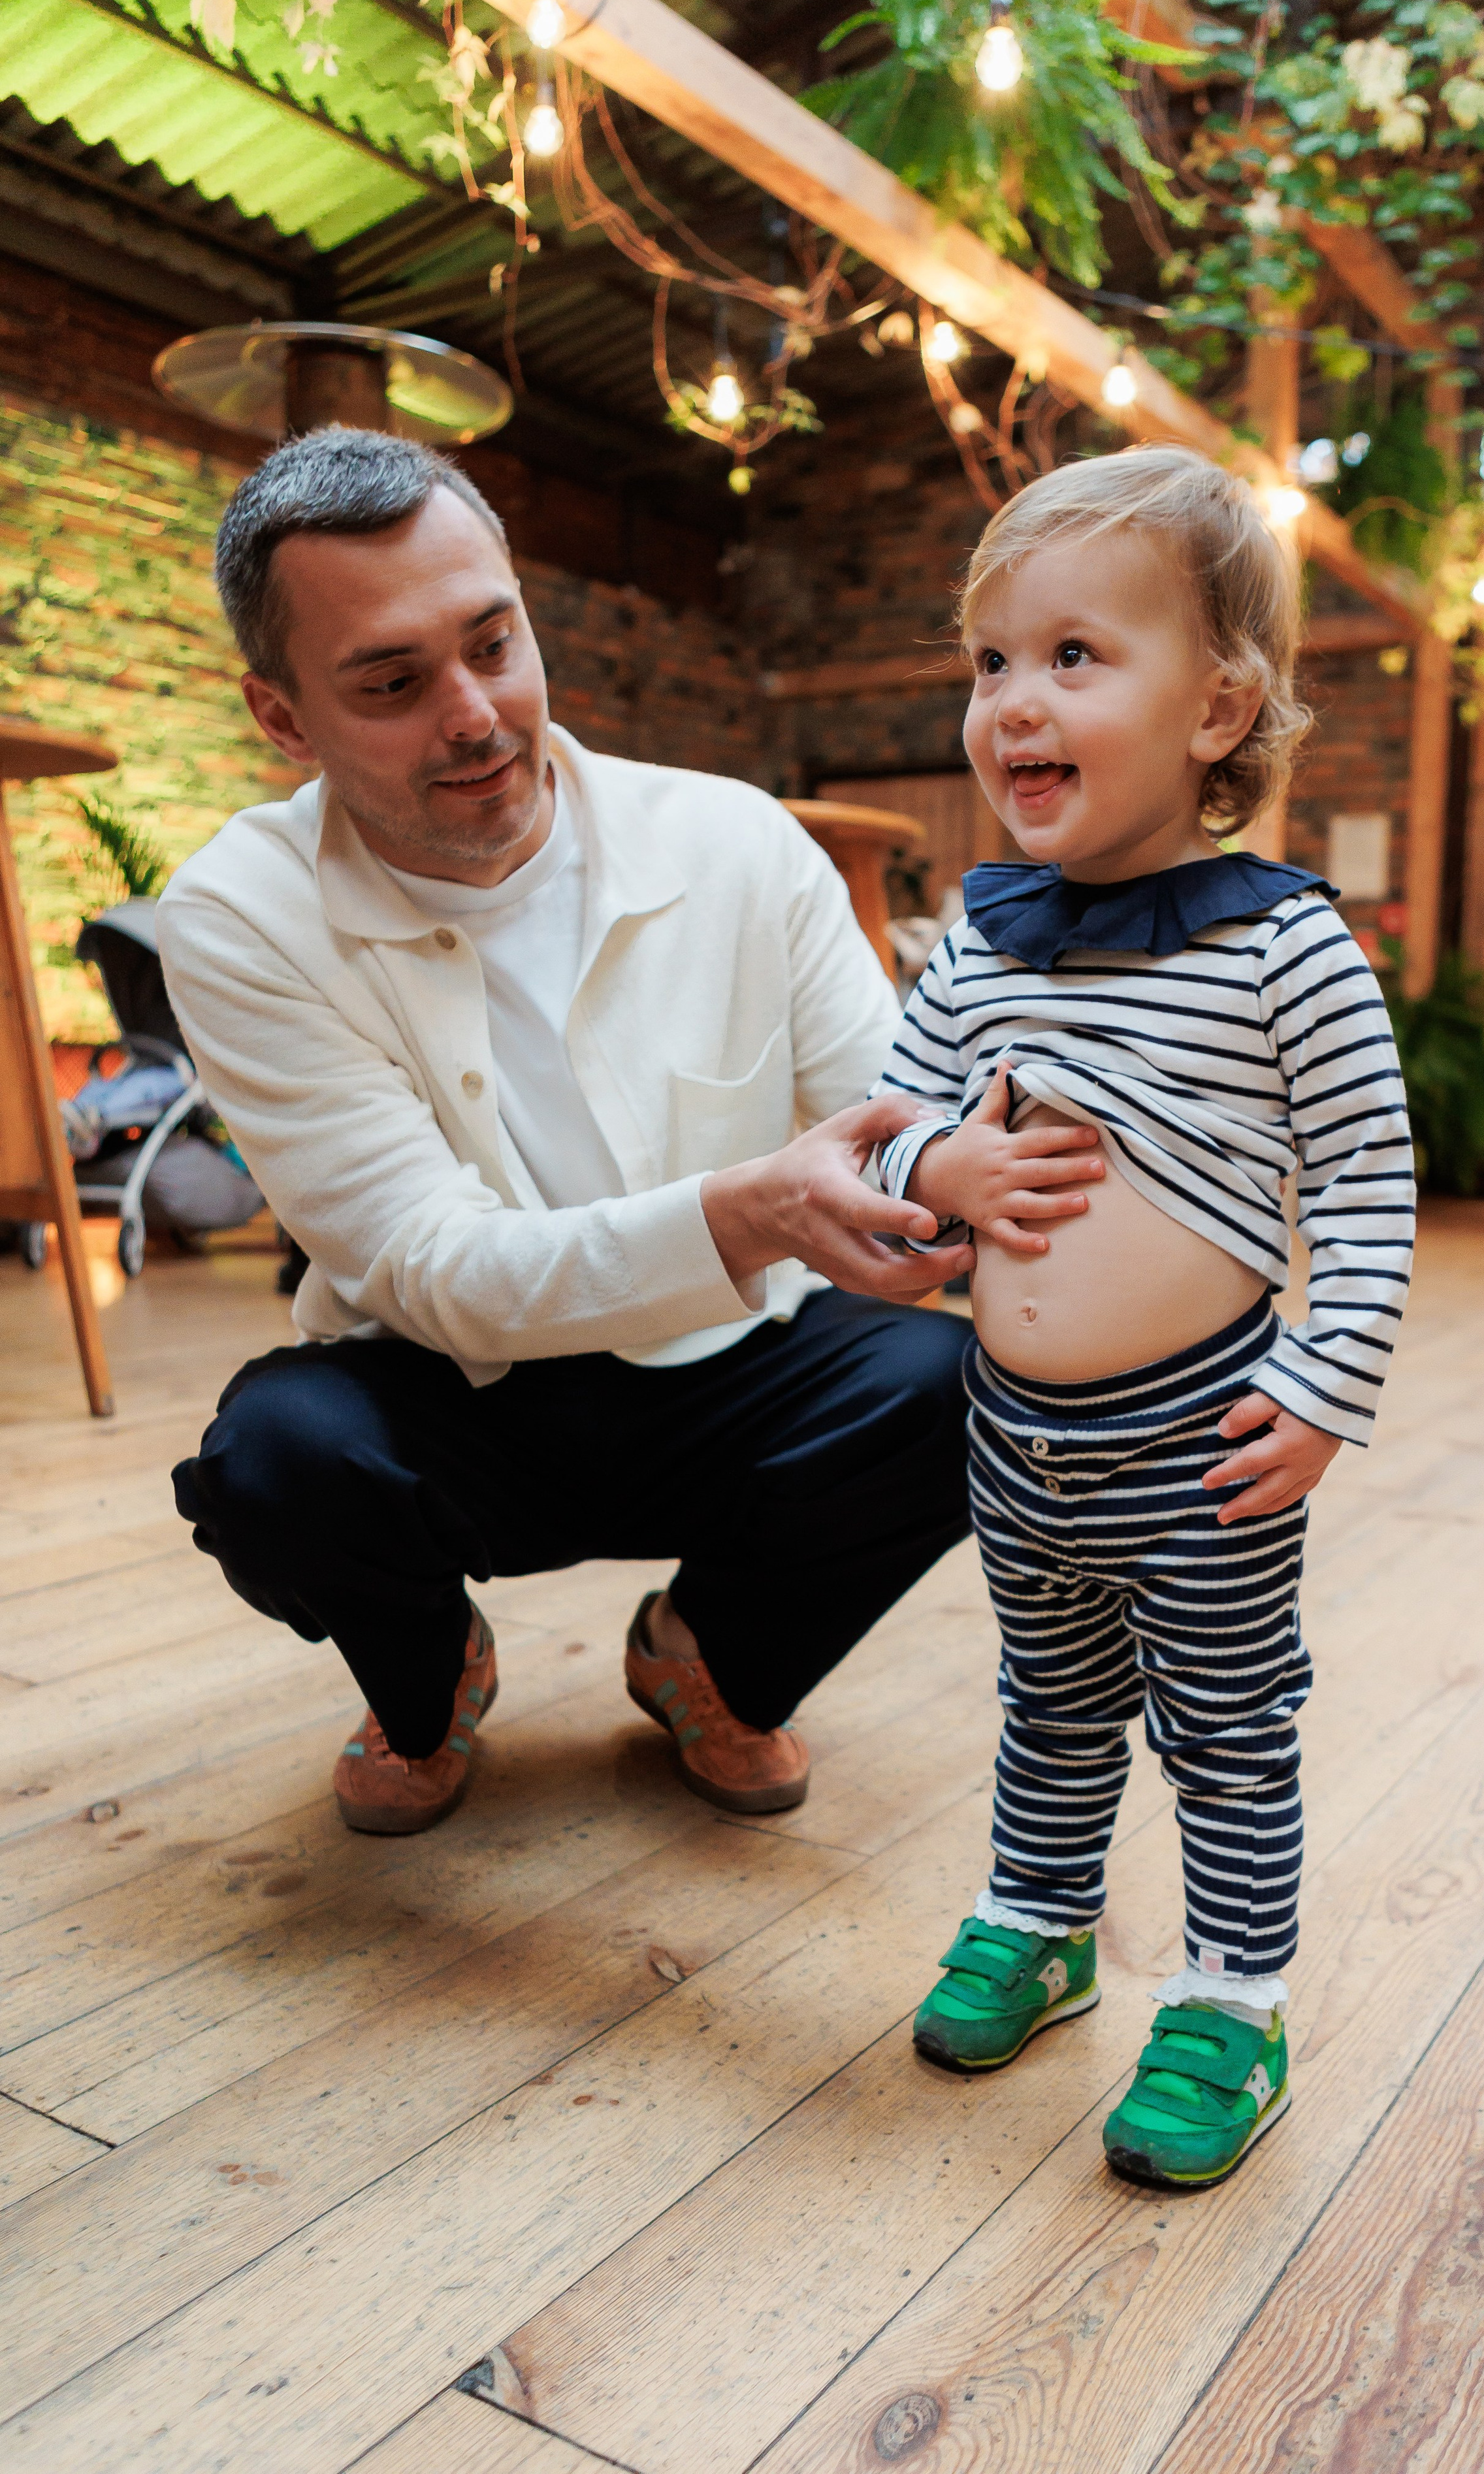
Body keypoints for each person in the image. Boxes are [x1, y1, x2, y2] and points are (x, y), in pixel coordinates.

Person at [157, 429, 1097, 1841]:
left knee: (968, 1391)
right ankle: (427, 1680)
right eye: (393, 684)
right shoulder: (240, 911)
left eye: (494, 643)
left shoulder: (737, 843)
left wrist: (968, 1173)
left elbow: (884, 1121)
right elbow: (426, 1266)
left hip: (740, 1370)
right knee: (276, 1466)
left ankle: (705, 1654)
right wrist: (750, 1213)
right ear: (283, 719)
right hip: (448, 1385)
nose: (474, 714)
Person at [871, 447, 1414, 2190]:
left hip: (1205, 1448)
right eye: (990, 664)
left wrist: (1324, 1391)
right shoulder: (980, 940)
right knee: (1048, 1698)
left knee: (1228, 1731)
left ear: (1219, 708)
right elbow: (884, 1122)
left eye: (1075, 659)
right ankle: (1038, 1918)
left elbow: (1368, 1182)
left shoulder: (1283, 950)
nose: (1015, 704)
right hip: (1019, 1444)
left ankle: (1232, 2003)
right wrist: (937, 1162)